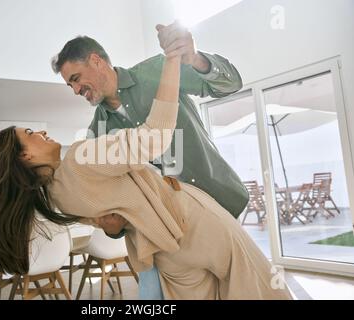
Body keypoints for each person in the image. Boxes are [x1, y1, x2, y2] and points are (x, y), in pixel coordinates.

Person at [0, 46, 292, 300]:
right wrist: (174, 60)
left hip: (165, 255)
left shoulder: (57, 198)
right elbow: (155, 136)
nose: (41, 132)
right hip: (197, 223)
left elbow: (115, 215)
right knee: (264, 290)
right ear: (25, 155)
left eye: (76, 79)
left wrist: (114, 225)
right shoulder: (83, 152)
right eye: (30, 133)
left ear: (96, 60)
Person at [50, 21, 249, 299]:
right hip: (170, 236)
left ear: (96, 61)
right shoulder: (96, 133)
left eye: (75, 78)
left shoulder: (158, 70)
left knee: (240, 291)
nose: (75, 90)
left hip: (218, 202)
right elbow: (117, 203)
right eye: (70, 84)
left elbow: (230, 84)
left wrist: (194, 59)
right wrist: (114, 229)